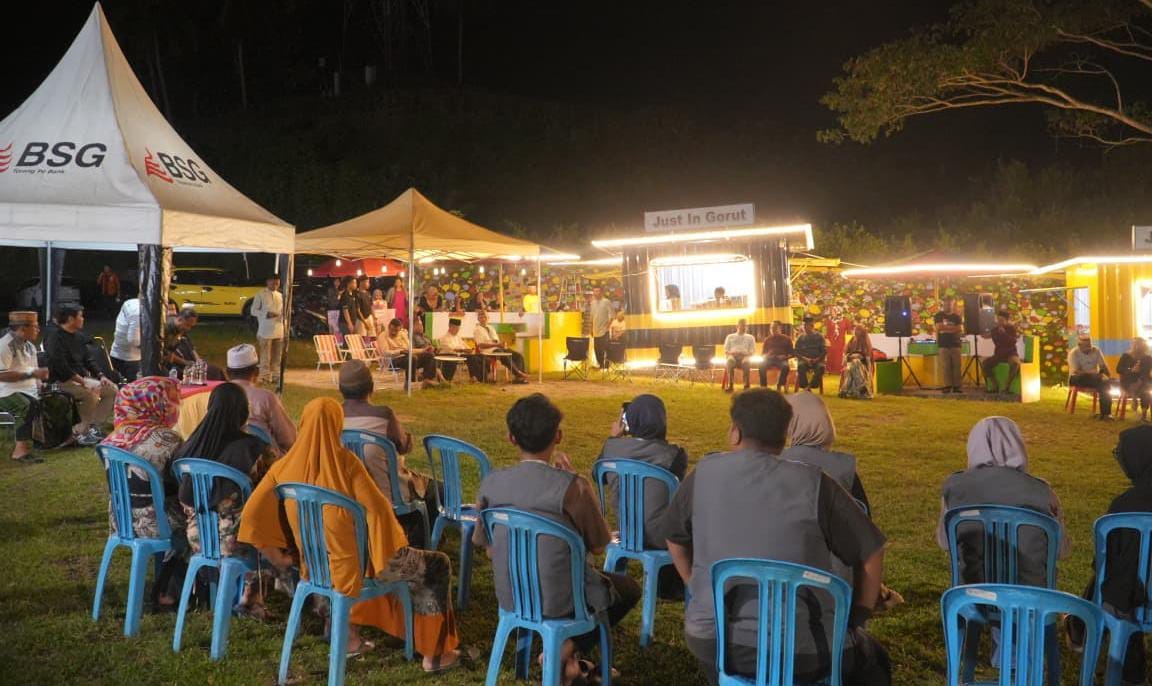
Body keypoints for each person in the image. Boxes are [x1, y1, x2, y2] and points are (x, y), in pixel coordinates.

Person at [658, 389, 891, 685]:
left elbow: (673, 537)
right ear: (784, 436)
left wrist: (694, 583)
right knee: (876, 661)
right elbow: (871, 551)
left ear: (735, 432)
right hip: (808, 650)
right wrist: (859, 615)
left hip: (714, 640)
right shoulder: (816, 483)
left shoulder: (703, 473)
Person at [238, 397, 466, 671]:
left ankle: (350, 638)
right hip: (355, 568)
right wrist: (386, 548)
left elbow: (250, 516)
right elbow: (380, 511)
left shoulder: (283, 468)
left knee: (360, 555)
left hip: (315, 567)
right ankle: (436, 654)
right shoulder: (347, 463)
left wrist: (278, 557)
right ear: (337, 426)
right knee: (435, 565)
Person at [474, 394, 641, 685]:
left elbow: (488, 550)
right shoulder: (572, 487)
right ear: (558, 436)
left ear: (511, 438)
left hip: (513, 594)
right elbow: (600, 546)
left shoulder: (491, 483)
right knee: (626, 588)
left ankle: (564, 659)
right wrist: (576, 483)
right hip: (563, 601)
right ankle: (564, 651)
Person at [173, 382, 274, 617]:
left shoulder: (191, 448)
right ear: (244, 412)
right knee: (275, 523)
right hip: (236, 540)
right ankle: (254, 598)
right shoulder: (255, 449)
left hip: (198, 537)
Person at [935, 417, 1071, 587]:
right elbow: (1061, 550)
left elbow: (944, 542)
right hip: (1032, 601)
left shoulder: (954, 486)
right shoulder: (1042, 490)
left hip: (973, 599)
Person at [1068, 425, 1152, 684]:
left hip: (1137, 601)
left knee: (1117, 584)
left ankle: (1081, 629)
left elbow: (1109, 567)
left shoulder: (1124, 506)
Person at [100, 376, 186, 609]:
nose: (175, 406)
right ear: (154, 404)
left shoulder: (112, 439)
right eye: (170, 400)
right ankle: (171, 592)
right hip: (156, 522)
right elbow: (181, 483)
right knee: (195, 521)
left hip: (121, 518)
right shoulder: (168, 439)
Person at [595, 394, 688, 598]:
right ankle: (671, 584)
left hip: (626, 531)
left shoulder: (610, 449)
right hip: (662, 538)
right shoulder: (674, 455)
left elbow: (598, 476)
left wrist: (613, 438)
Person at [339, 360, 440, 548]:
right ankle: (420, 543)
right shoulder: (383, 415)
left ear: (340, 389)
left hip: (347, 497)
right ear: (371, 387)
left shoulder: (333, 416)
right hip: (388, 496)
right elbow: (403, 445)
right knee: (438, 490)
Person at [44, 305, 117, 445]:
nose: (83, 319)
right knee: (90, 394)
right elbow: (60, 366)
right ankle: (79, 432)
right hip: (61, 381)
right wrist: (83, 382)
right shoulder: (55, 338)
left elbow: (89, 360)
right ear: (71, 319)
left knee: (111, 389)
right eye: (80, 316)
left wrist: (101, 376)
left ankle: (94, 426)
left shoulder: (79, 337)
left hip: (80, 379)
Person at [225, 344, 296, 455]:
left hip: (227, 464)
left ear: (227, 373)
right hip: (266, 462)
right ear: (257, 372)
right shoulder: (266, 398)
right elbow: (289, 440)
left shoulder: (216, 396)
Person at [0, 311, 49, 463]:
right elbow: (2, 375)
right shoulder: (4, 346)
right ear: (22, 328)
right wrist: (31, 375)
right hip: (5, 391)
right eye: (35, 326)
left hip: (25, 389)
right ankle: (19, 451)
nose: (38, 329)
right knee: (26, 406)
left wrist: (40, 384)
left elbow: (33, 370)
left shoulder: (29, 346)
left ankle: (49, 440)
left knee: (53, 398)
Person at [473, 310, 530, 383]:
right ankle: (519, 373)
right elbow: (480, 345)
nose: (483, 319)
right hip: (488, 350)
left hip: (497, 347)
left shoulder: (491, 328)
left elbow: (496, 340)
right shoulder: (477, 330)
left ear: (488, 318)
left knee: (518, 356)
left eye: (485, 317)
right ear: (478, 319)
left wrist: (502, 344)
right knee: (502, 354)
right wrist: (496, 345)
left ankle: (519, 378)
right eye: (481, 317)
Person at [377, 317, 437, 384]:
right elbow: (385, 353)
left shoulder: (402, 334)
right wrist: (400, 351)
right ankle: (410, 383)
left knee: (429, 355)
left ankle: (428, 380)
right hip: (392, 360)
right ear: (388, 327)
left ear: (399, 329)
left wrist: (423, 350)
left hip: (407, 357)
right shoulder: (383, 336)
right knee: (412, 358)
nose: (394, 332)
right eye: (392, 330)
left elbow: (410, 350)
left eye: (396, 331)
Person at [250, 274, 285, 386]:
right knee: (265, 356)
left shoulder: (281, 296)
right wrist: (266, 314)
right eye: (273, 282)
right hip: (265, 330)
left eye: (277, 283)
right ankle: (265, 376)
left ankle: (276, 376)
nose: (275, 285)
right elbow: (253, 311)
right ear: (267, 282)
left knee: (277, 356)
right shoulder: (261, 294)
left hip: (279, 330)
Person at [1069, 334, 1114, 420]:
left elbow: (1103, 366)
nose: (1088, 348)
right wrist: (1092, 373)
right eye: (1086, 346)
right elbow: (1076, 371)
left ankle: (1106, 414)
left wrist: (1107, 376)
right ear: (1079, 346)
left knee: (1105, 384)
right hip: (1077, 378)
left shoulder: (1096, 350)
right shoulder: (1074, 353)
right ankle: (1106, 413)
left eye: (1089, 345)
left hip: (1095, 378)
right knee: (1102, 382)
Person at [980, 310, 1021, 395]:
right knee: (985, 364)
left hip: (1010, 353)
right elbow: (986, 336)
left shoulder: (1011, 329)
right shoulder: (995, 329)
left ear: (1006, 320)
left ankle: (1007, 387)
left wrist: (1004, 333)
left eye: (1001, 320)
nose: (999, 322)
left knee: (1015, 363)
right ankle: (995, 385)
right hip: (999, 354)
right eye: (998, 320)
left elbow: (1013, 341)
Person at [437, 317, 483, 381]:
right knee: (456, 359)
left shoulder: (458, 337)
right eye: (456, 328)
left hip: (460, 355)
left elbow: (466, 346)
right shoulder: (444, 338)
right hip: (448, 355)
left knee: (475, 357)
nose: (457, 330)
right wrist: (463, 350)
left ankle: (475, 378)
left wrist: (469, 350)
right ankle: (446, 380)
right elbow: (451, 349)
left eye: (458, 328)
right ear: (450, 326)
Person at [934, 297, 964, 393]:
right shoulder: (938, 315)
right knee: (946, 366)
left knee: (957, 366)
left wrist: (945, 329)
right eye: (946, 304)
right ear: (943, 304)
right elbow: (939, 327)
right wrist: (952, 328)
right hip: (943, 344)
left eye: (950, 304)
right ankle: (947, 386)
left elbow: (959, 329)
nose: (948, 306)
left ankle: (957, 386)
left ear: (953, 304)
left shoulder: (957, 317)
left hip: (956, 344)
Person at [1118, 337, 1152, 421]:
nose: (1137, 347)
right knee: (1145, 388)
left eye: (1139, 344)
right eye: (1135, 344)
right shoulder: (1126, 356)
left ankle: (1143, 414)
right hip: (1128, 382)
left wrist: (1140, 370)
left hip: (1143, 381)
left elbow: (1147, 372)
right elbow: (1119, 369)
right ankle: (1135, 399)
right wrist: (1131, 370)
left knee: (1146, 389)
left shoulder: (1147, 358)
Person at [109, 298, 141, 382]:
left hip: (117, 353)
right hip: (131, 360)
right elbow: (134, 340)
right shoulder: (138, 312)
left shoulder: (130, 303)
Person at [839, 325, 874, 399]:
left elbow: (867, 358)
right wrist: (851, 356)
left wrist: (858, 356)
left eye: (858, 330)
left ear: (862, 332)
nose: (856, 332)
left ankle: (844, 390)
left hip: (862, 366)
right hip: (851, 364)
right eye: (855, 330)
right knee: (853, 364)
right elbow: (845, 354)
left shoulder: (865, 342)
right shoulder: (851, 340)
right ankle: (862, 388)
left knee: (855, 363)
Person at [794, 316, 828, 391]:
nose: (805, 327)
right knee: (801, 366)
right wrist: (805, 359)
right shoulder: (801, 338)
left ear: (812, 326)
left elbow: (824, 350)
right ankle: (805, 386)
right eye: (804, 326)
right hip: (804, 360)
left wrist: (817, 359)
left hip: (817, 360)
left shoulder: (819, 336)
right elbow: (796, 351)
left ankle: (811, 385)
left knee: (821, 367)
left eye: (806, 326)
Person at [722, 319, 756, 392]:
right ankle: (730, 385)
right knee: (730, 361)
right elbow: (726, 350)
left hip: (745, 356)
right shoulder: (730, 336)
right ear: (737, 326)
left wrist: (746, 355)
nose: (744, 327)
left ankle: (746, 385)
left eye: (745, 326)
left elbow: (752, 350)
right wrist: (731, 353)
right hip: (732, 355)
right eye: (742, 325)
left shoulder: (750, 337)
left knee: (746, 362)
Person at [759, 321, 793, 390]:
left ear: (780, 328)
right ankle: (764, 387)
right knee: (761, 365)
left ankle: (779, 384)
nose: (772, 329)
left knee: (785, 366)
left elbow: (792, 353)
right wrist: (766, 355)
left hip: (781, 360)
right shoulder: (767, 339)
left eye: (774, 328)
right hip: (769, 359)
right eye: (771, 328)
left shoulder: (787, 339)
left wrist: (785, 357)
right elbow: (762, 354)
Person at [589, 286, 614, 369]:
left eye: (598, 291)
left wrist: (608, 326)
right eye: (594, 291)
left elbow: (612, 316)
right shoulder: (592, 303)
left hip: (604, 330)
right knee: (597, 349)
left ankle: (606, 366)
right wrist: (591, 328)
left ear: (601, 292)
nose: (596, 293)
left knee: (605, 349)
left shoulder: (606, 302)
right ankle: (600, 365)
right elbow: (592, 317)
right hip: (595, 330)